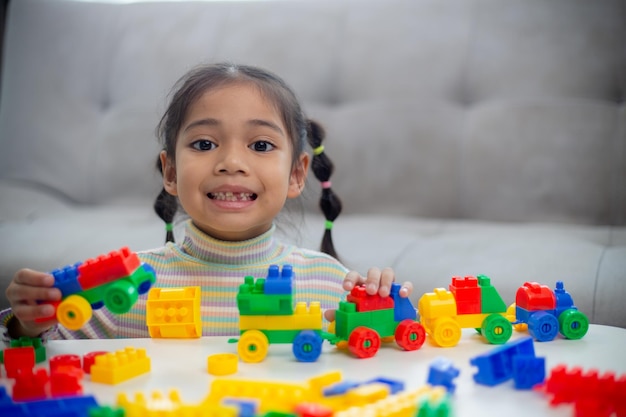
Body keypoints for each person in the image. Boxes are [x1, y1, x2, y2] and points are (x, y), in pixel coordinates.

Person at [1, 63, 412, 342]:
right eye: (204, 143)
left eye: (261, 145)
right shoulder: (126, 289)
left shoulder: (329, 284)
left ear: (297, 174)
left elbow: (378, 356)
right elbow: (41, 351)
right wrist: (28, 323)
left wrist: (392, 307)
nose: (231, 162)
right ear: (172, 173)